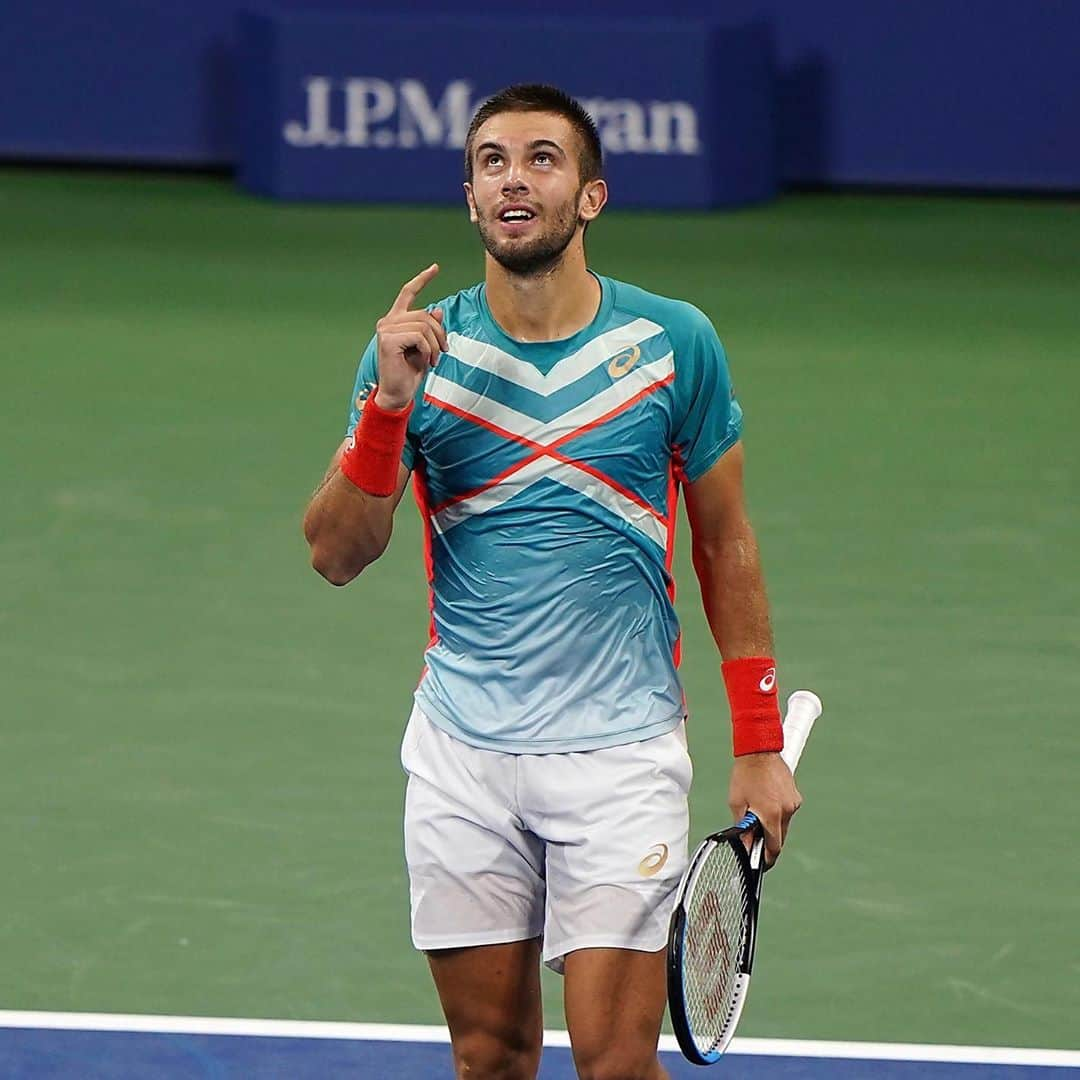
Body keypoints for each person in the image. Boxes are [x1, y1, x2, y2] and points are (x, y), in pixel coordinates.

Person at [303, 83, 802, 1080]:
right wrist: (387, 407)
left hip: (618, 757)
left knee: (616, 1068)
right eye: (492, 161)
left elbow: (725, 544)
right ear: (472, 198)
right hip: (462, 757)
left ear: (590, 197)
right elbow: (336, 553)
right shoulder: (413, 353)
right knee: (488, 1058)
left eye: (541, 157)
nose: (514, 177)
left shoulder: (672, 343)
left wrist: (756, 743)